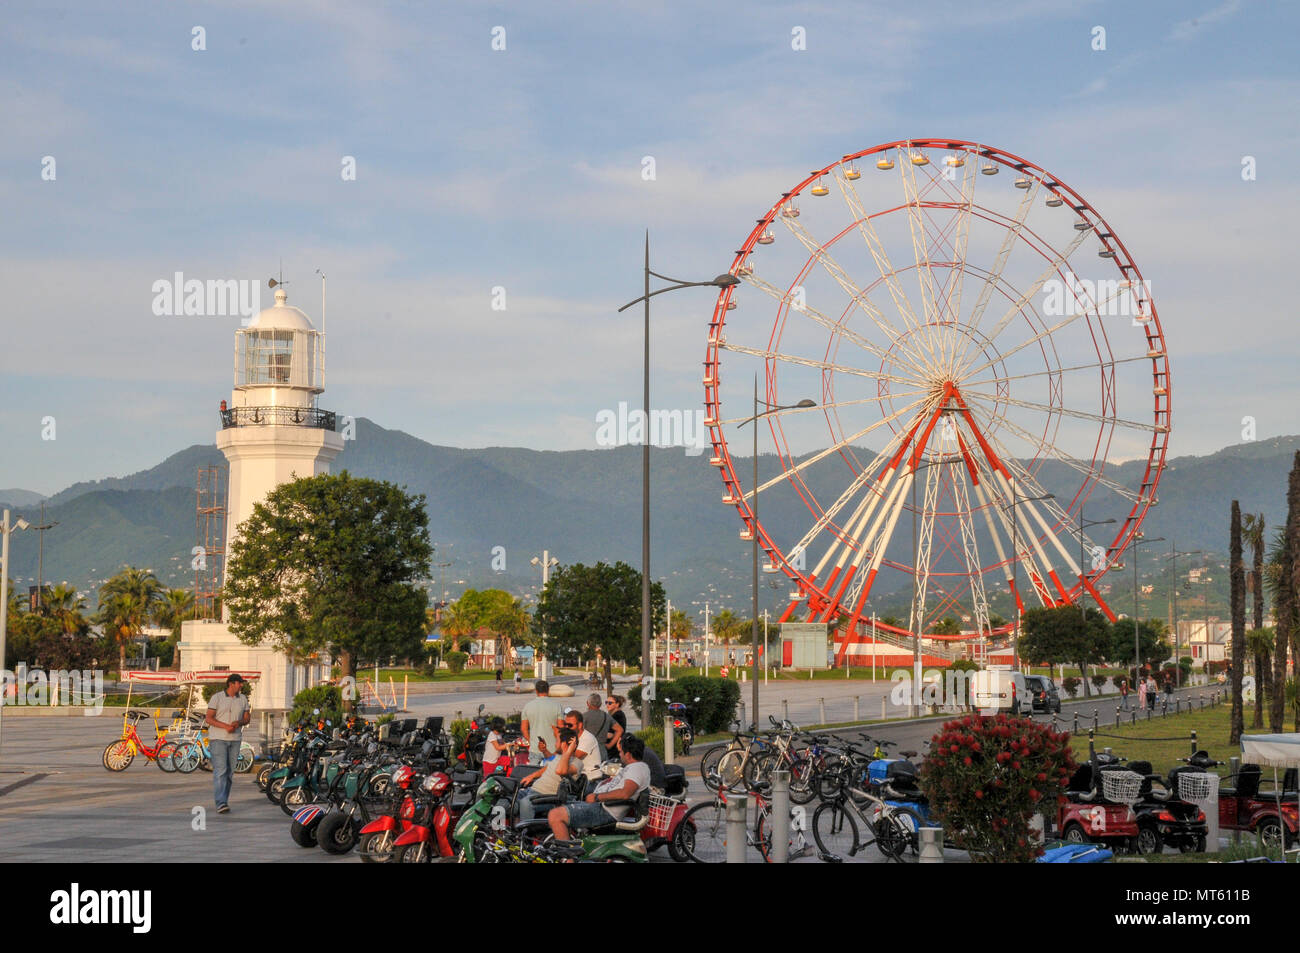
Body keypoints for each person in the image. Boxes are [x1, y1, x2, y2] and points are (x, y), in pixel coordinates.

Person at [548, 735, 651, 842]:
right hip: (601, 806)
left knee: (555, 815)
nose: (620, 755)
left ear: (628, 755)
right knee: (560, 805)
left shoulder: (637, 768)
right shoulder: (633, 768)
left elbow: (625, 793)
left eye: (621, 752)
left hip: (605, 811)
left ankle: (568, 857)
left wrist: (597, 797)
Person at [205, 674, 250, 814]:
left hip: (235, 739)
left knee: (230, 772)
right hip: (218, 738)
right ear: (231, 684)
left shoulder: (242, 699)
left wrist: (239, 723)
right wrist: (225, 726)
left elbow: (247, 718)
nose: (241, 685)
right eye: (239, 683)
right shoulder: (217, 697)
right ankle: (221, 802)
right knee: (221, 770)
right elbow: (209, 718)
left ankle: (224, 799)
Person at [516, 727, 580, 820]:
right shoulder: (558, 756)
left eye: (557, 741)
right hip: (532, 791)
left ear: (565, 744)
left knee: (525, 803)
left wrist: (568, 751)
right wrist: (531, 776)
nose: (555, 744)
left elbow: (560, 771)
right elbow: (548, 767)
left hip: (547, 797)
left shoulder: (577, 763)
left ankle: (525, 832)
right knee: (506, 798)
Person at [521, 680, 566, 766]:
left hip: (535, 749)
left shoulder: (528, 706)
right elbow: (561, 728)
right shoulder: (557, 706)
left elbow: (524, 729)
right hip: (552, 750)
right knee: (550, 777)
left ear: (536, 691)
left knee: (534, 776)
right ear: (548, 690)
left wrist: (532, 742)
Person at [563, 709, 605, 783]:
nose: (567, 727)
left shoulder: (587, 738)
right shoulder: (571, 736)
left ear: (580, 725)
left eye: (570, 725)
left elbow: (576, 755)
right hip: (578, 775)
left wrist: (563, 749)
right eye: (565, 725)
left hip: (590, 778)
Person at [604, 694, 627, 760]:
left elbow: (614, 733)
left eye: (610, 703)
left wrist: (609, 745)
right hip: (615, 748)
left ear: (617, 704)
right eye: (606, 702)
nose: (607, 705)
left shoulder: (617, 715)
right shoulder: (615, 714)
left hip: (614, 749)